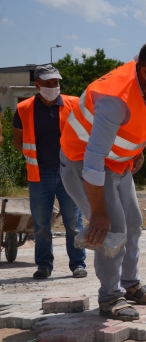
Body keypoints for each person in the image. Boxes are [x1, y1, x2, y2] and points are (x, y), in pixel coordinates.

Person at [59, 40, 146, 321]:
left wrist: (136, 151)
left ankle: (130, 285)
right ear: (145, 72)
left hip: (118, 163)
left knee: (133, 223)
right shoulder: (114, 100)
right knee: (112, 230)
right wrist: (98, 213)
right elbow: (92, 161)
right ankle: (110, 297)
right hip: (84, 165)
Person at [12, 64, 86, 280]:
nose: (53, 86)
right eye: (48, 83)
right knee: (42, 225)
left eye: (56, 82)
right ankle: (44, 266)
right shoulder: (24, 109)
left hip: (69, 173)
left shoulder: (74, 104)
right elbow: (18, 142)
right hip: (39, 174)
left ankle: (78, 264)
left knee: (73, 222)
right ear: (37, 85)